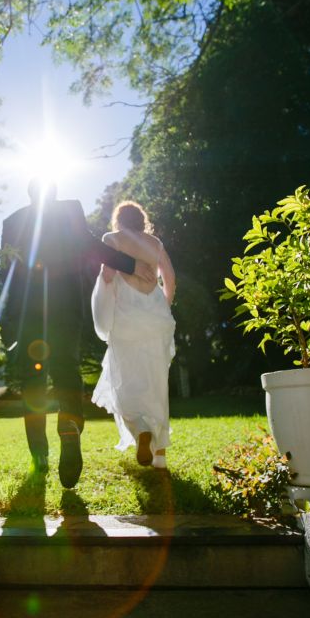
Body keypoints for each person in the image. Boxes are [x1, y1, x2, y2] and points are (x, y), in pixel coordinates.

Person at [0, 180, 156, 488]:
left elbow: (7, 276)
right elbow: (90, 246)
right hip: (66, 309)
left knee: (33, 382)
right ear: (54, 191)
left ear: (29, 192)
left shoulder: (12, 222)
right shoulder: (69, 210)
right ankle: (69, 426)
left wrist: (8, 325)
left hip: (29, 316)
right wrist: (130, 264)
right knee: (67, 371)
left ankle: (39, 455)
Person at [91, 200, 176, 472]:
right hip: (155, 319)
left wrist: (103, 297)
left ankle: (141, 430)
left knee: (124, 381)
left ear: (119, 220)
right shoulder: (155, 244)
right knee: (157, 384)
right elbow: (170, 277)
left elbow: (107, 274)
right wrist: (164, 307)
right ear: (142, 220)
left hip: (126, 321)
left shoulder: (111, 239)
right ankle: (160, 455)